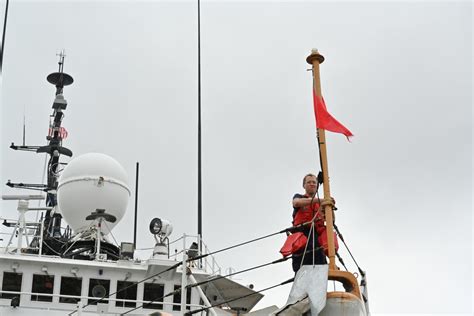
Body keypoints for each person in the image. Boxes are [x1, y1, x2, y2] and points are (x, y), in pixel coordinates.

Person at [291, 173, 327, 272]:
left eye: (314, 182)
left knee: (321, 267)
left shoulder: (323, 204)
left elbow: (331, 220)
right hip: (302, 236)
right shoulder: (299, 197)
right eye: (309, 182)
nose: (312, 184)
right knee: (301, 269)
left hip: (316, 238)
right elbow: (296, 203)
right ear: (304, 185)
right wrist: (321, 200)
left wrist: (330, 206)